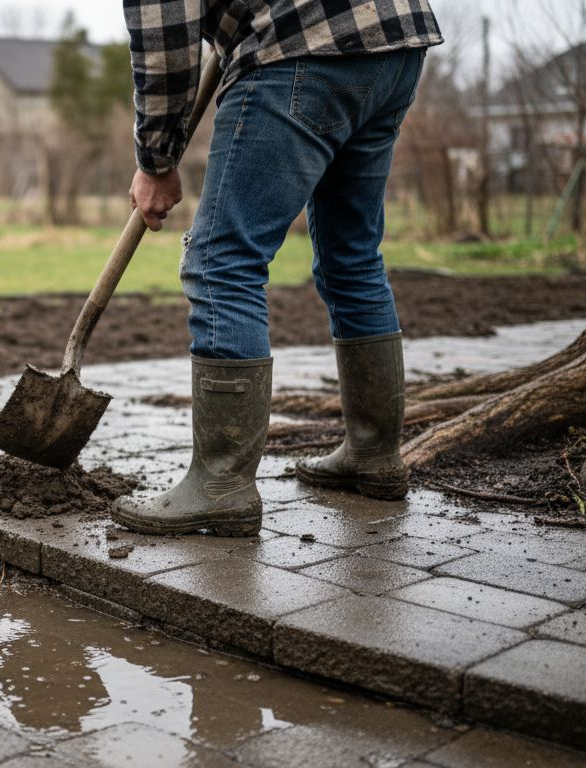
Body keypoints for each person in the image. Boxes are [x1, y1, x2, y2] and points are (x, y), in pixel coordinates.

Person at [112, 0, 443, 537]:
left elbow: (165, 31)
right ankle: (374, 453)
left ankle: (222, 484)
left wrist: (156, 160)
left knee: (223, 260)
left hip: (301, 48)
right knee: (353, 256)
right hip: (393, 39)